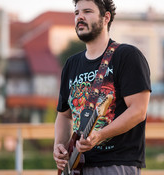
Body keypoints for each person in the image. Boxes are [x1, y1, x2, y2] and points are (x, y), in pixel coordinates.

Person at [53, 0, 151, 174]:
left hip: (115, 164)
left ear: (106, 17)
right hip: (77, 166)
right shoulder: (71, 64)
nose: (80, 17)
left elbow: (138, 111)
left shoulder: (127, 56)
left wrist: (100, 135)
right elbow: (64, 115)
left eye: (87, 11)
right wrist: (59, 147)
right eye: (76, 13)